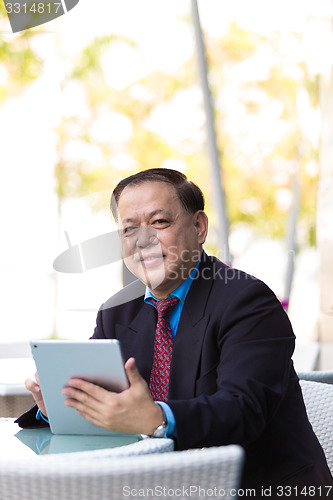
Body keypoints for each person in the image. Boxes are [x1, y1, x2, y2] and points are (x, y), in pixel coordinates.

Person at [17, 168, 332, 496]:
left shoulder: (247, 301)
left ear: (198, 227)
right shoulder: (116, 312)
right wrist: (64, 407)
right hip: (156, 488)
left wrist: (156, 417)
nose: (143, 240)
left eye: (159, 222)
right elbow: (110, 406)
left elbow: (243, 410)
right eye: (129, 229)